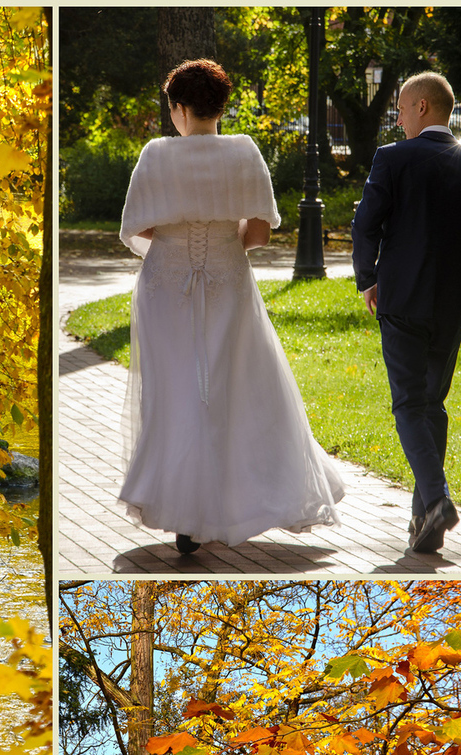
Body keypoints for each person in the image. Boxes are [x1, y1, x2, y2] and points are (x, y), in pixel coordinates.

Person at [117, 59, 344, 554]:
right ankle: (233, 501)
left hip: (165, 286)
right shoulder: (245, 153)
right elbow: (259, 233)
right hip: (227, 279)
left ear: (178, 108)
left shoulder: (156, 155)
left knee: (174, 391)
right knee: (235, 387)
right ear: (221, 107)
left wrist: (179, 241)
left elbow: (136, 227)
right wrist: (219, 242)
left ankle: (182, 511)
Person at [352, 71, 461, 554]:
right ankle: (425, 519)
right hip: (450, 306)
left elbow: (364, 226)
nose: (397, 120)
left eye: (400, 109)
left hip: (400, 301)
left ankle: (437, 500)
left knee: (407, 404)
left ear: (422, 107)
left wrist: (368, 280)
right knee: (432, 404)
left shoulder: (392, 159)